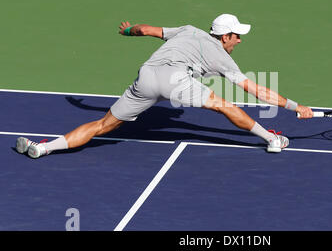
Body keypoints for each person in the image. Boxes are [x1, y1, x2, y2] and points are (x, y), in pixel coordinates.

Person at [15, 13, 313, 159]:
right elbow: (257, 91)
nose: (240, 40)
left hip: (146, 77)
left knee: (103, 124)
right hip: (174, 81)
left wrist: (127, 31)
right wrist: (295, 106)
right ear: (225, 37)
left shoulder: (188, 30)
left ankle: (43, 148)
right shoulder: (222, 58)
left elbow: (143, 29)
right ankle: (271, 139)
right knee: (225, 105)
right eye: (237, 35)